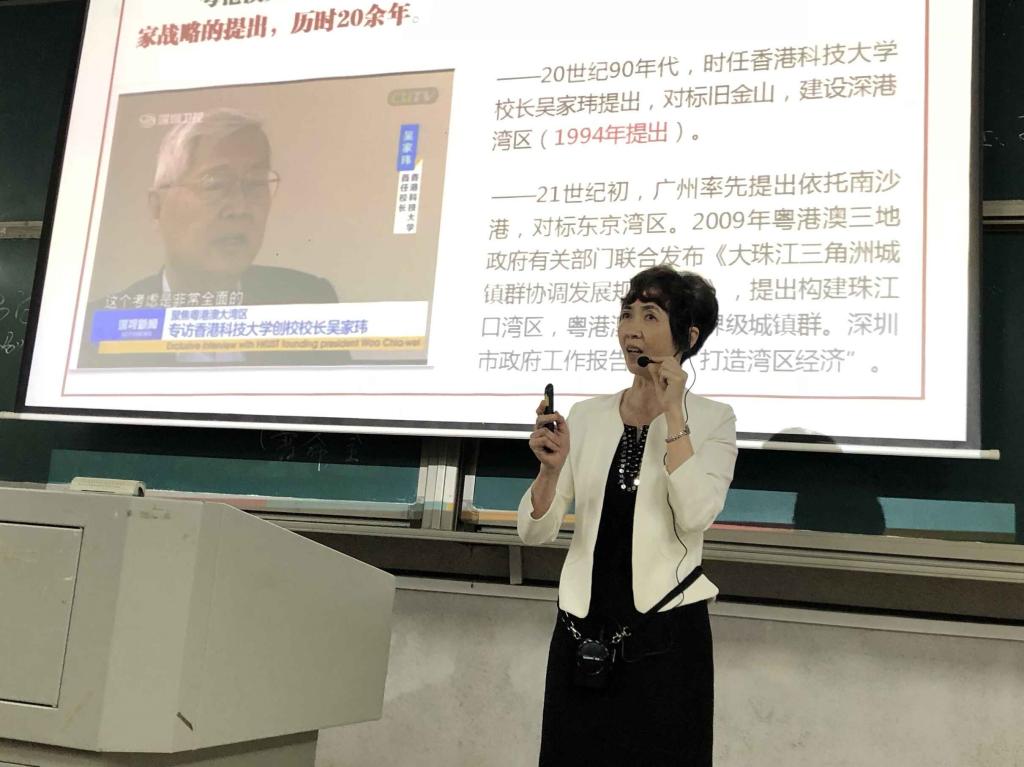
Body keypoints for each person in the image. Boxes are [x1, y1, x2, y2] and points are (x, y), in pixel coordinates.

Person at [519, 265, 737, 766]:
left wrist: (674, 413)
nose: (631, 329)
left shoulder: (713, 419)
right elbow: (534, 532)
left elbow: (696, 514)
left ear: (688, 336)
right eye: (627, 314)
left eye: (650, 315)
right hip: (582, 630)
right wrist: (550, 471)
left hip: (667, 636)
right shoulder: (587, 415)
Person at [79, 108, 345, 367]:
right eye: (214, 184)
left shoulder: (308, 298)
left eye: (255, 183)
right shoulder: (93, 330)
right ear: (158, 207)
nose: (239, 207)